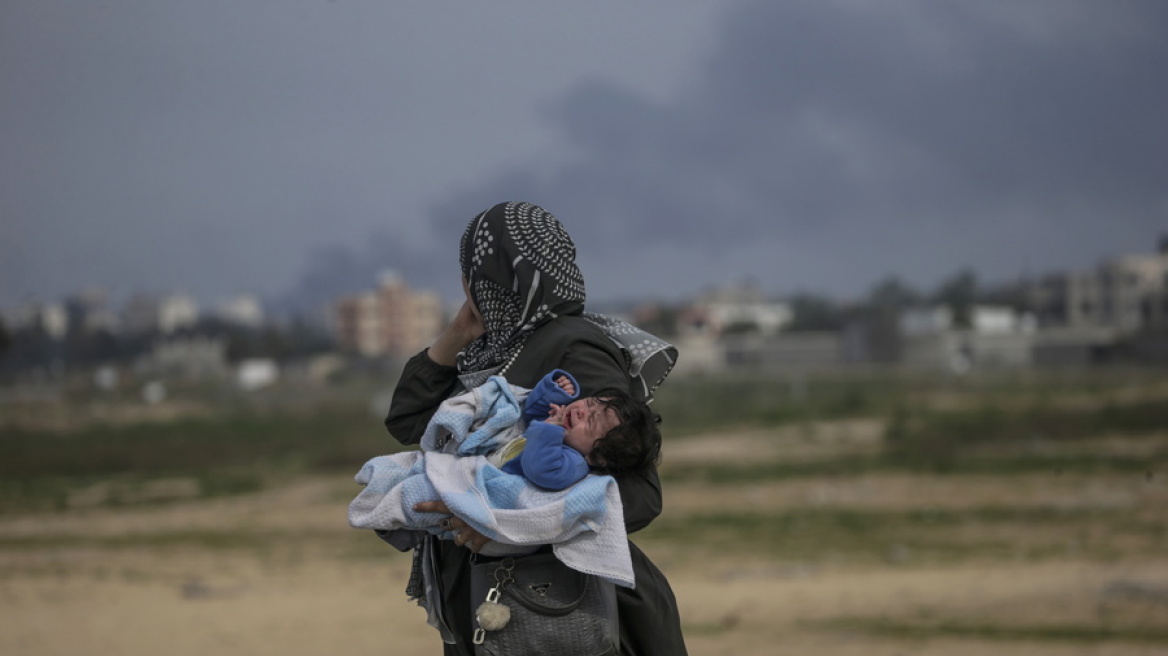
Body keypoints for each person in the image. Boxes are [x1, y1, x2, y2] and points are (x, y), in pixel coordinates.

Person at [382, 201, 687, 655]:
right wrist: (460, 331)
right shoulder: (490, 352)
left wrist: (512, 523)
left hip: (571, 613)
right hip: (497, 604)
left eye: (476, 275)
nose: (470, 287)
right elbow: (408, 421)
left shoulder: (574, 346)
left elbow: (641, 493)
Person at [500, 368, 662, 490]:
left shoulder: (574, 463)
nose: (581, 411)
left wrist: (549, 430)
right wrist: (556, 392)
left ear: (596, 458)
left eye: (590, 422)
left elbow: (540, 470)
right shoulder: (559, 423)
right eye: (590, 403)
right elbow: (530, 412)